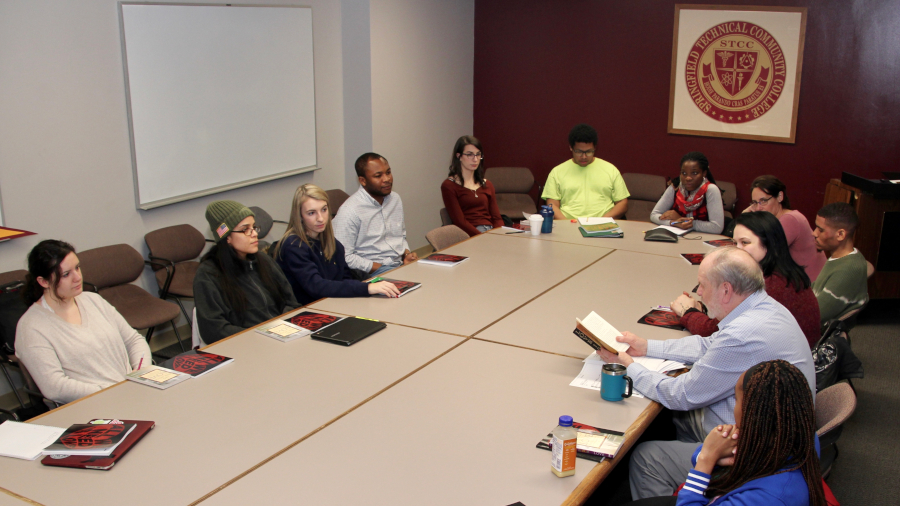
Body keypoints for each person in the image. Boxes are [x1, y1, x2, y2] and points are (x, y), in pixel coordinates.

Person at [597, 247, 815, 500]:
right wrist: (647, 347)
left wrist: (629, 367)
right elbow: (709, 344)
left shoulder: (742, 335)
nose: (697, 293)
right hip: (781, 437)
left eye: (702, 285)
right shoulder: (763, 307)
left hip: (752, 454)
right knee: (675, 419)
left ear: (725, 290)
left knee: (648, 457)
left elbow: (681, 394)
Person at [15, 240, 151, 404]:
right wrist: (114, 391)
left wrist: (141, 372)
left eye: (77, 267)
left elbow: (133, 340)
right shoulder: (31, 327)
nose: (77, 277)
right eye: (66, 274)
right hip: (92, 406)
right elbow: (55, 387)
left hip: (129, 393)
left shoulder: (92, 300)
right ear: (44, 282)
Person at [673, 360, 826, 505]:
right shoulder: (789, 433)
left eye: (736, 399)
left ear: (751, 412)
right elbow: (700, 455)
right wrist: (711, 455)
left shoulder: (768, 499)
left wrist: (707, 459)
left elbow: (703, 458)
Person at [671, 212, 820, 348]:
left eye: (745, 243)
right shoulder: (783, 273)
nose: (737, 250)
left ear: (768, 245)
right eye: (735, 243)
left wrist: (687, 311)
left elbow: (715, 332)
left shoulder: (769, 286)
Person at [275, 184, 402, 305]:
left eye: (324, 210)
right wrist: (367, 288)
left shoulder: (332, 243)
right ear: (300, 216)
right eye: (311, 213)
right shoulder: (293, 246)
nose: (320, 218)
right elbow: (316, 286)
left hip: (332, 302)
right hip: (308, 309)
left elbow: (344, 278)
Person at [194, 200, 299, 344]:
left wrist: (281, 327)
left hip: (280, 337)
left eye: (254, 227)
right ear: (227, 237)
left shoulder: (263, 260)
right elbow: (214, 330)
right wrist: (261, 335)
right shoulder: (208, 275)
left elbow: (291, 302)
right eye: (245, 229)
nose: (254, 234)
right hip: (246, 346)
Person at [333, 152, 418, 277]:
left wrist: (406, 254)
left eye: (388, 172)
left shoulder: (395, 199)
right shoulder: (350, 210)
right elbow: (345, 256)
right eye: (378, 176)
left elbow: (400, 236)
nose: (387, 179)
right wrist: (381, 268)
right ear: (363, 180)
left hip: (398, 264)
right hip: (369, 271)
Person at [743, 175, 825, 282]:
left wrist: (745, 219)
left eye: (763, 201)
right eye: (755, 202)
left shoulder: (790, 219)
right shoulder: (775, 220)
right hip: (795, 280)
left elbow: (763, 254)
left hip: (809, 285)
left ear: (780, 196)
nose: (758, 208)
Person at [541, 124, 630, 220]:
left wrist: (602, 221)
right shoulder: (557, 172)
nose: (584, 156)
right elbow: (552, 204)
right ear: (571, 147)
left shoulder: (611, 170)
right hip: (569, 224)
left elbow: (623, 203)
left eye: (589, 151)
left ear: (595, 148)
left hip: (603, 224)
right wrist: (566, 224)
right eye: (579, 151)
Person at [812, 202, 869, 324]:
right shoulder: (839, 259)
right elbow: (815, 289)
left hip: (813, 333)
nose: (814, 233)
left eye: (820, 230)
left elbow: (816, 315)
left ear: (840, 234)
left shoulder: (848, 269)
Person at [440, 135, 503, 236]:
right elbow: (460, 222)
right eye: (470, 155)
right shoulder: (449, 186)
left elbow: (497, 218)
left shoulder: (487, 184)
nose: (475, 159)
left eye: (478, 155)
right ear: (458, 156)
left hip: (490, 231)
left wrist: (499, 234)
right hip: (469, 234)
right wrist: (482, 237)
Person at [650, 152, 724, 233]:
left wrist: (685, 221)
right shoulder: (675, 186)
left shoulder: (711, 190)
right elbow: (654, 215)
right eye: (684, 173)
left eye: (694, 173)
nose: (688, 178)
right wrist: (675, 222)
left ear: (704, 173)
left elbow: (717, 227)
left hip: (701, 239)